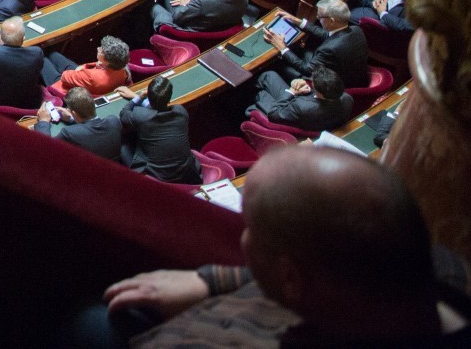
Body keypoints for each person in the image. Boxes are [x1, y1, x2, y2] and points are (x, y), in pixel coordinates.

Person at [94, 147, 464, 349]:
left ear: (291, 279)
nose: (243, 238)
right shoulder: (436, 271)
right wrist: (215, 281)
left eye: (251, 227)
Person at [118, 73, 195, 184]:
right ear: (170, 97)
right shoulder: (181, 111)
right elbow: (157, 109)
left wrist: (138, 97)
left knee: (122, 141)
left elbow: (124, 114)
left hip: (154, 175)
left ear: (149, 95)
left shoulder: (141, 115)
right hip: (183, 171)